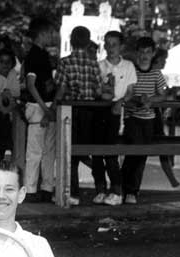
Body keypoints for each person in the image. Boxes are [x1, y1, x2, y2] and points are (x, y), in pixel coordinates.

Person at [53, 26, 105, 206]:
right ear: (88, 41)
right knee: (86, 150)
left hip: (70, 110)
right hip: (90, 111)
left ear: (71, 40)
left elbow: (61, 89)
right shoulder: (93, 63)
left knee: (69, 152)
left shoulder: (65, 62)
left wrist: (52, 109)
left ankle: (72, 193)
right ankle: (100, 187)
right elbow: (99, 91)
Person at [121, 37, 167, 205]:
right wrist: (137, 99)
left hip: (149, 119)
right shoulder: (131, 70)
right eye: (141, 52)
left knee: (142, 155)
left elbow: (163, 95)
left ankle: (130, 189)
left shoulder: (156, 73)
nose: (144, 55)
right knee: (134, 151)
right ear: (137, 53)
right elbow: (126, 93)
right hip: (132, 117)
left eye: (148, 52)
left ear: (153, 54)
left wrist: (150, 100)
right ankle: (124, 186)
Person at [96, 29, 137, 206]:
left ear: (121, 47)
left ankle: (117, 190)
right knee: (97, 152)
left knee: (111, 152)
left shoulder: (128, 66)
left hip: (117, 111)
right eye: (108, 44)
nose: (111, 48)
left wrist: (120, 102)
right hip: (99, 110)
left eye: (114, 44)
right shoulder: (99, 66)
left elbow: (130, 91)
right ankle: (100, 189)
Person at [22, 18, 58, 203]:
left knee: (47, 150)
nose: (52, 36)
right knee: (36, 151)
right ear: (42, 33)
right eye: (50, 32)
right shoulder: (33, 56)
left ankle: (46, 187)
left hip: (47, 106)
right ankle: (31, 189)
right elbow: (31, 84)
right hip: (39, 107)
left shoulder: (43, 55)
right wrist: (45, 108)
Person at [151, 49, 180, 193]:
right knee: (160, 148)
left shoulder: (151, 72)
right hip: (151, 115)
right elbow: (160, 96)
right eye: (164, 59)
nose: (165, 62)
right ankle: (174, 183)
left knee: (151, 150)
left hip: (151, 114)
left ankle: (174, 182)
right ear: (158, 59)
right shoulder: (155, 73)